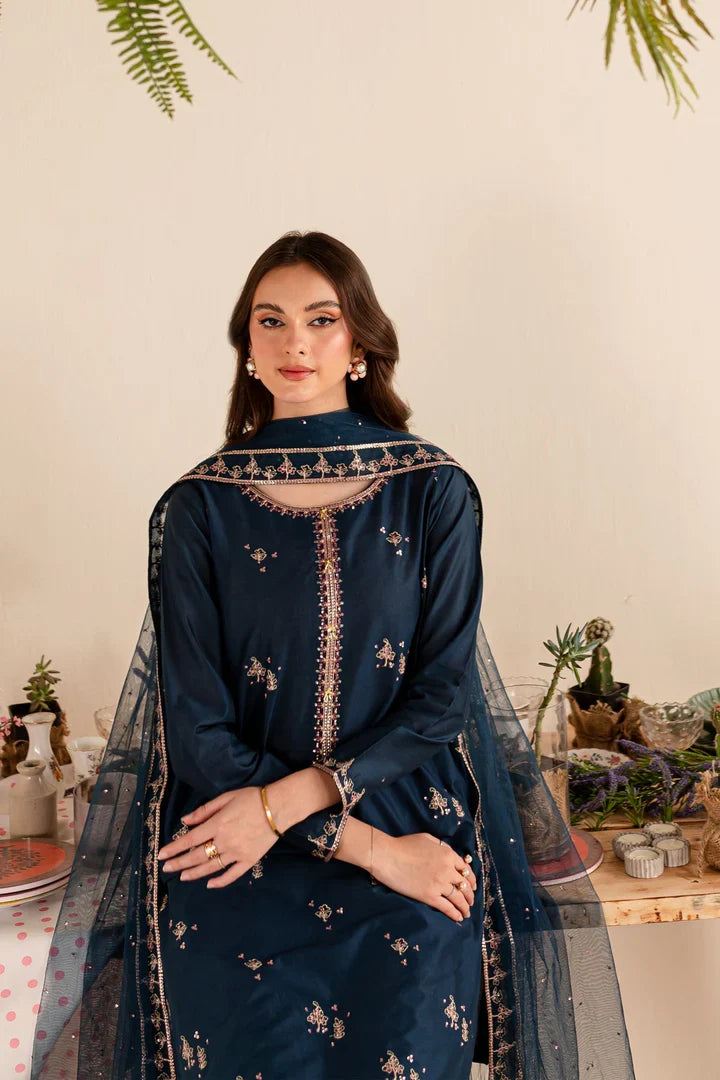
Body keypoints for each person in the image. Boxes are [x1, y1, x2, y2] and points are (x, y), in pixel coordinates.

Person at [31, 231, 636, 1080]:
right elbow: (198, 735)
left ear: (360, 342)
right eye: (270, 321)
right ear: (246, 346)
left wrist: (327, 821)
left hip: (409, 829)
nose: (296, 343)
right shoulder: (199, 508)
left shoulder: (433, 489)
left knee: (415, 987)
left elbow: (438, 701)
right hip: (237, 846)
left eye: (321, 319)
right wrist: (355, 845)